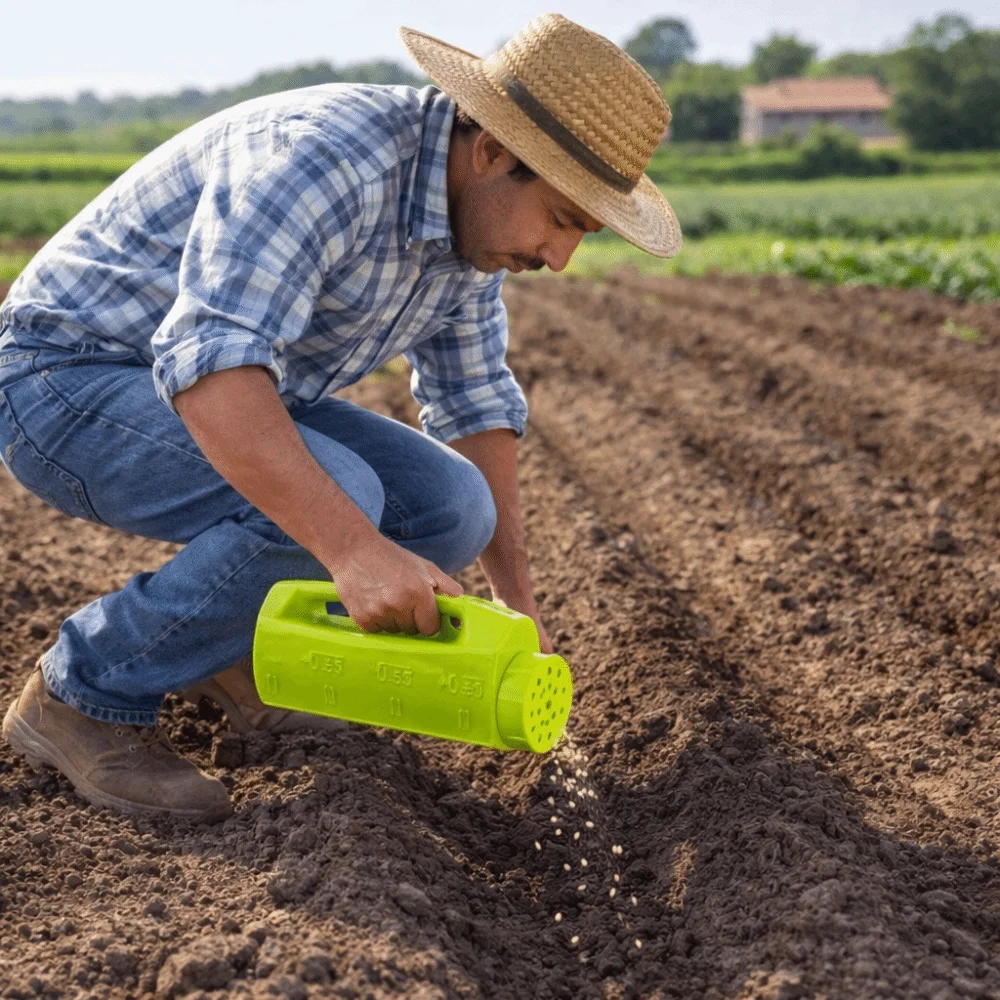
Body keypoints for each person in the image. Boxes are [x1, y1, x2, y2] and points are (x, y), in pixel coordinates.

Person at [0, 13, 681, 822]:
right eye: (563, 219)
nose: (560, 257)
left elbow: (471, 405)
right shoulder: (326, 159)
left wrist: (518, 606)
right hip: (61, 384)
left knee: (451, 504)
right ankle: (84, 692)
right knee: (342, 501)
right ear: (492, 150)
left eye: (585, 233)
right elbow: (212, 366)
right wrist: (353, 552)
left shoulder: (472, 236)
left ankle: (227, 654)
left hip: (212, 385)